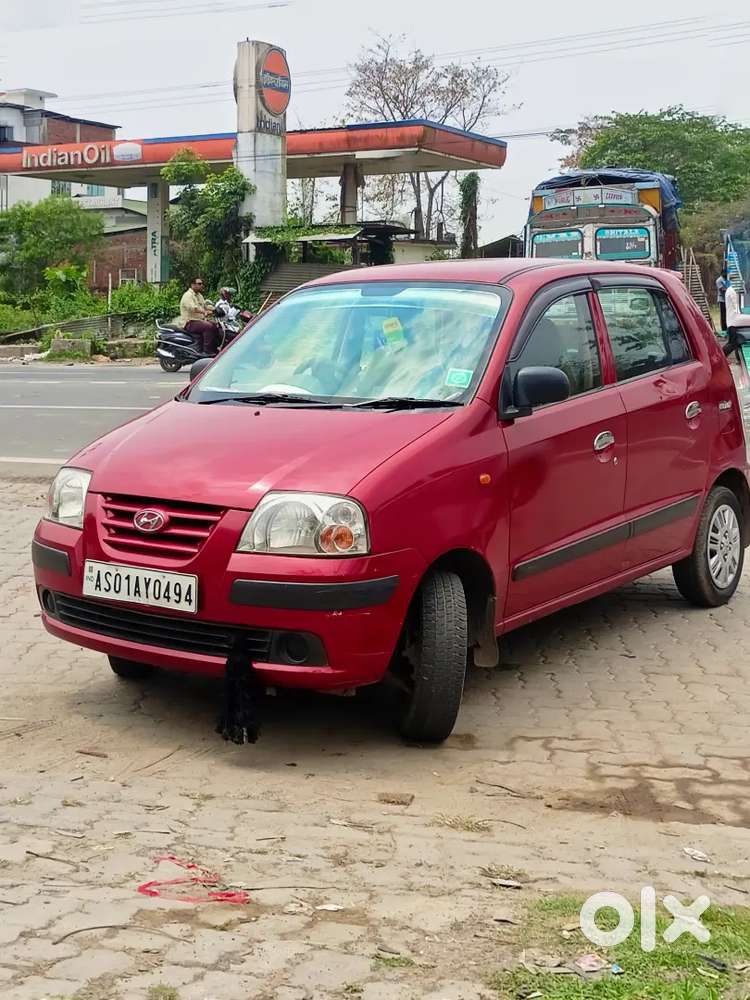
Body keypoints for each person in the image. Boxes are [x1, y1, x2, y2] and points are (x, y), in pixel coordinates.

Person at [180, 277, 219, 355]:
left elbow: (205, 305)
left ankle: (214, 348)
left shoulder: (199, 295)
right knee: (208, 326)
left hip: (198, 321)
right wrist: (204, 312)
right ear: (193, 285)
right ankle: (206, 351)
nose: (201, 285)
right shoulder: (188, 296)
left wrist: (215, 309)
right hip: (190, 322)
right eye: (199, 284)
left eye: (202, 284)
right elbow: (194, 308)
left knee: (215, 325)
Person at [723, 282, 750, 360]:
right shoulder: (732, 291)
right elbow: (736, 307)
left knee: (732, 343)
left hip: (731, 321)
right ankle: (720, 357)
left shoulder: (730, 290)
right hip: (734, 321)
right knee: (732, 343)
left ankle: (720, 356)